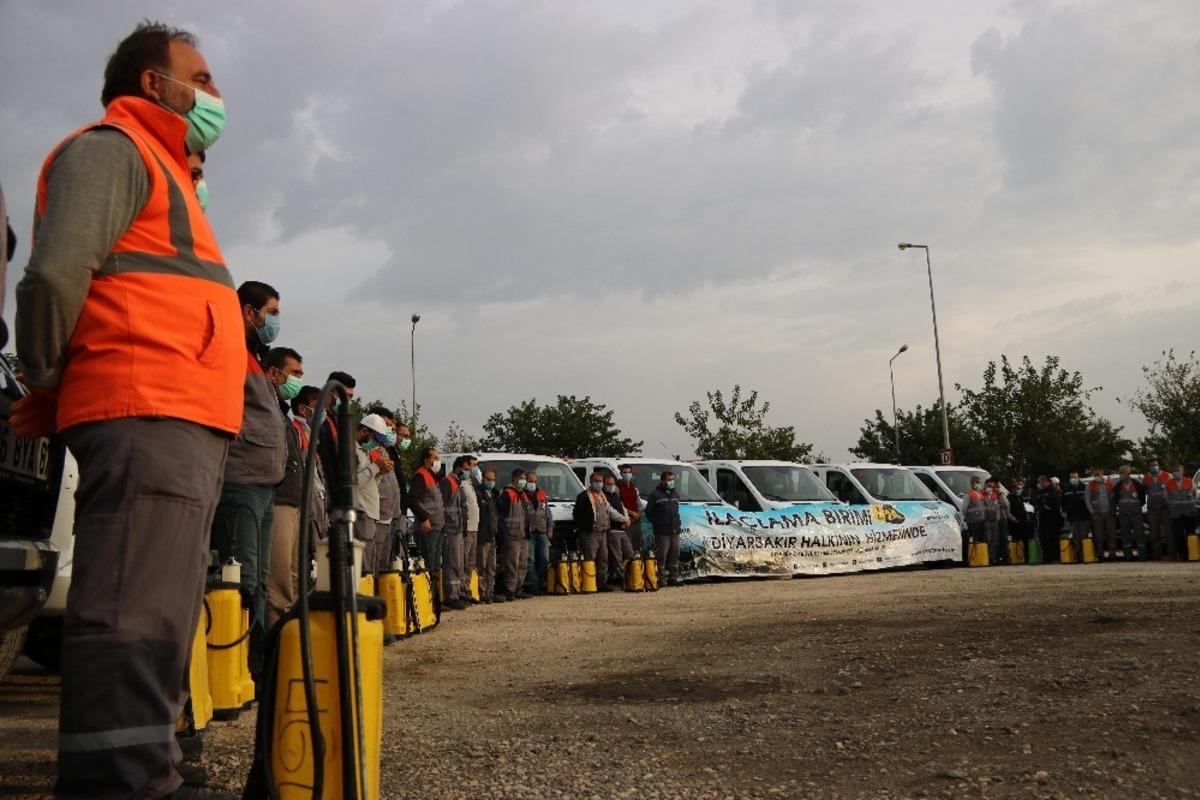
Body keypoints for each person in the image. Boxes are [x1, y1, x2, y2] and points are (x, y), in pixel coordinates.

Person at [11, 22, 242, 798]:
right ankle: (122, 781)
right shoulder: (113, 149)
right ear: (154, 84)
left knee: (158, 612)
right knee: (132, 613)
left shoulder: (168, 170)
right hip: (147, 406)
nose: (213, 96)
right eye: (201, 80)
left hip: (178, 415)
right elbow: (50, 277)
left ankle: (149, 771)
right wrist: (48, 379)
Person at [211, 280, 288, 673]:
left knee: (258, 578)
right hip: (240, 480)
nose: (274, 320)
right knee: (241, 577)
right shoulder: (229, 350)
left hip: (263, 485)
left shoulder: (252, 356)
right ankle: (240, 666)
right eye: (270, 312)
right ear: (248, 311)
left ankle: (252, 661)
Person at [264, 347, 306, 627]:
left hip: (293, 501)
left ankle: (288, 629)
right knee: (278, 576)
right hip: (277, 498)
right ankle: (275, 638)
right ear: (274, 373)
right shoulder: (264, 405)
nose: (298, 380)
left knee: (292, 573)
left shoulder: (283, 412)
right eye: (295, 373)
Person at [352, 414, 394, 579]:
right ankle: (360, 598)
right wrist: (375, 467)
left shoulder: (364, 453)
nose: (376, 445)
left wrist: (380, 472)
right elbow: (353, 482)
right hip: (361, 512)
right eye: (375, 440)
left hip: (370, 514)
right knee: (363, 564)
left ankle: (367, 595)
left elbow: (369, 484)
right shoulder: (352, 451)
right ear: (364, 431)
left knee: (370, 562)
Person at [409, 447, 445, 582]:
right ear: (426, 460)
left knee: (435, 565)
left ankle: (435, 599)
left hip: (437, 528)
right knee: (427, 564)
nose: (438, 461)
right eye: (435, 458)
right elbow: (412, 500)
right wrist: (424, 518)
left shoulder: (432, 477)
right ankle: (428, 595)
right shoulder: (421, 476)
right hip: (427, 529)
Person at [439, 457, 469, 610]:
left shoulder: (458, 484)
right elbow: (442, 506)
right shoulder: (448, 482)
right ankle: (451, 596)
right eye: (467, 468)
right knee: (452, 563)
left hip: (458, 529)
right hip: (450, 529)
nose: (469, 471)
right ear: (458, 468)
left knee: (459, 563)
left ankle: (458, 592)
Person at [498, 469, 533, 601]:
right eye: (521, 478)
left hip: (523, 535)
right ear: (514, 479)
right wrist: (504, 533)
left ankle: (518, 588)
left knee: (523, 564)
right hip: (512, 534)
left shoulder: (523, 494)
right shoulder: (507, 493)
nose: (523, 481)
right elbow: (501, 515)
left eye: (524, 478)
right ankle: (509, 590)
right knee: (512, 564)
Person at [645, 471, 683, 585]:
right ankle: (661, 579)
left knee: (675, 554)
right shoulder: (655, 494)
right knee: (662, 555)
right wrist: (658, 522)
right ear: (662, 481)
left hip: (674, 529)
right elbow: (648, 512)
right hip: (662, 531)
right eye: (669, 480)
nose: (671, 482)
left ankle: (673, 578)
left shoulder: (675, 494)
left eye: (673, 480)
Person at [317, 370, 356, 481]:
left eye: (350, 396)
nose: (347, 400)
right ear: (330, 394)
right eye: (343, 395)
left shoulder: (337, 422)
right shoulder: (318, 420)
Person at [475, 468, 503, 603]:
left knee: (491, 567)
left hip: (493, 535)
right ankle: (481, 592)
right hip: (483, 535)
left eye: (493, 479)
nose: (491, 482)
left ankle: (490, 592)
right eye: (488, 479)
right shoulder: (479, 493)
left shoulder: (494, 495)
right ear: (483, 479)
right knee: (482, 566)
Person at [524, 470, 553, 594]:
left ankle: (540, 583)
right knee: (530, 560)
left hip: (542, 531)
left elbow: (548, 513)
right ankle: (534, 586)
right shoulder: (521, 495)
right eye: (530, 481)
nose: (533, 483)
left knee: (544, 559)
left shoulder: (541, 494)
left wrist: (550, 528)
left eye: (535, 481)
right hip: (529, 532)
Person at [603, 474, 634, 585]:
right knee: (617, 558)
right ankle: (622, 580)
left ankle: (630, 575)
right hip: (613, 531)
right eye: (608, 484)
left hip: (623, 531)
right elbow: (611, 512)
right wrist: (624, 520)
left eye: (612, 484)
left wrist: (627, 519)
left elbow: (622, 507)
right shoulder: (603, 496)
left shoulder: (616, 495)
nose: (611, 486)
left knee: (630, 554)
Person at [1084, 468, 1117, 561]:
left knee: (1112, 535)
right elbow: (1087, 499)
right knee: (1098, 536)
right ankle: (1101, 556)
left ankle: (1112, 555)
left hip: (1109, 514)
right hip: (1097, 514)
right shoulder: (1090, 485)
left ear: (1103, 474)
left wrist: (1114, 510)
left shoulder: (1109, 483)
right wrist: (1092, 512)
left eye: (1098, 474)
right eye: (1095, 474)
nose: (1097, 476)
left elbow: (1114, 497)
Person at [460, 455, 481, 603]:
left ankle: (467, 591)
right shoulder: (461, 484)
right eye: (472, 466)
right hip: (466, 528)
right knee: (462, 561)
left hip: (474, 528)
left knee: (470, 563)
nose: (474, 469)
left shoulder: (471, 483)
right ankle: (460, 591)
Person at [1164, 465, 1196, 561]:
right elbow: (1166, 498)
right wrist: (1173, 506)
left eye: (1178, 470)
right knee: (1178, 535)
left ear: (1183, 471)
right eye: (1174, 470)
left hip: (1190, 513)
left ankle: (1193, 555)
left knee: (1191, 535)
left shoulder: (1190, 481)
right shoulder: (1168, 483)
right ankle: (1183, 555)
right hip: (1176, 514)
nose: (1176, 472)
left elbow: (1194, 494)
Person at [1114, 467, 1146, 560]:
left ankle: (1142, 556)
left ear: (1129, 473)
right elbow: (1115, 499)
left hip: (1136, 514)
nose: (1121, 474)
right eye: (1120, 473)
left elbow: (1142, 499)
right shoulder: (1118, 486)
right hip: (1123, 515)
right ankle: (1128, 556)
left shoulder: (1137, 484)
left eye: (1123, 473)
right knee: (1125, 536)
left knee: (1139, 535)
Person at [1142, 458, 1171, 559]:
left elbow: (1172, 488)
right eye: (1152, 465)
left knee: (1168, 532)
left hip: (1165, 509)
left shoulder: (1167, 475)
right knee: (1154, 533)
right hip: (1153, 510)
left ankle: (1172, 554)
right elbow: (1144, 492)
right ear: (1149, 467)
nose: (1155, 467)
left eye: (1156, 464)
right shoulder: (1145, 478)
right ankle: (1157, 555)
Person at [1061, 471, 1090, 563]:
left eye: (1074, 477)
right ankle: (1077, 555)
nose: (1073, 479)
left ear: (1079, 478)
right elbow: (1063, 503)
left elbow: (1089, 500)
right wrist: (1066, 512)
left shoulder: (1085, 488)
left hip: (1084, 517)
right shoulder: (1066, 490)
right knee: (1075, 538)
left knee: (1084, 537)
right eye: (1071, 477)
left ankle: (1086, 555)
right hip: (1072, 518)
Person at [1035, 476, 1063, 565]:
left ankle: (1054, 557)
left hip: (1052, 518)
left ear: (1046, 481)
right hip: (1043, 518)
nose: (1040, 484)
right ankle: (1046, 558)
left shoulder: (1053, 490)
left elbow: (1053, 503)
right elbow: (1037, 503)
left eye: (1041, 482)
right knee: (1043, 538)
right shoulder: (1041, 492)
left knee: (1051, 538)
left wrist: (1044, 508)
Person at [618, 464, 643, 555]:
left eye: (629, 472)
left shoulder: (633, 487)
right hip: (626, 521)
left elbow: (639, 502)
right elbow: (619, 505)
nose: (627, 474)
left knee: (637, 546)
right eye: (625, 472)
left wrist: (639, 514)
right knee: (627, 548)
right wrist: (632, 513)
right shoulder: (618, 488)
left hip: (636, 521)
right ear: (621, 473)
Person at [963, 476, 988, 560]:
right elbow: (964, 509)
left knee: (981, 540)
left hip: (981, 521)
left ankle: (980, 557)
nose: (978, 484)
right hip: (973, 522)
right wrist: (967, 518)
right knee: (974, 540)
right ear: (971, 483)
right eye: (976, 482)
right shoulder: (968, 494)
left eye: (979, 482)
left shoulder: (980, 493)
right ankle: (973, 558)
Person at [982, 478, 1000, 565]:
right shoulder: (981, 494)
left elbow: (997, 507)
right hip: (986, 520)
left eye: (991, 486)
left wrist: (998, 517)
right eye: (989, 486)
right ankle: (987, 557)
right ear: (985, 485)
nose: (990, 488)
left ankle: (993, 558)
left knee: (995, 540)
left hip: (994, 520)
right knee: (988, 539)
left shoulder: (994, 494)